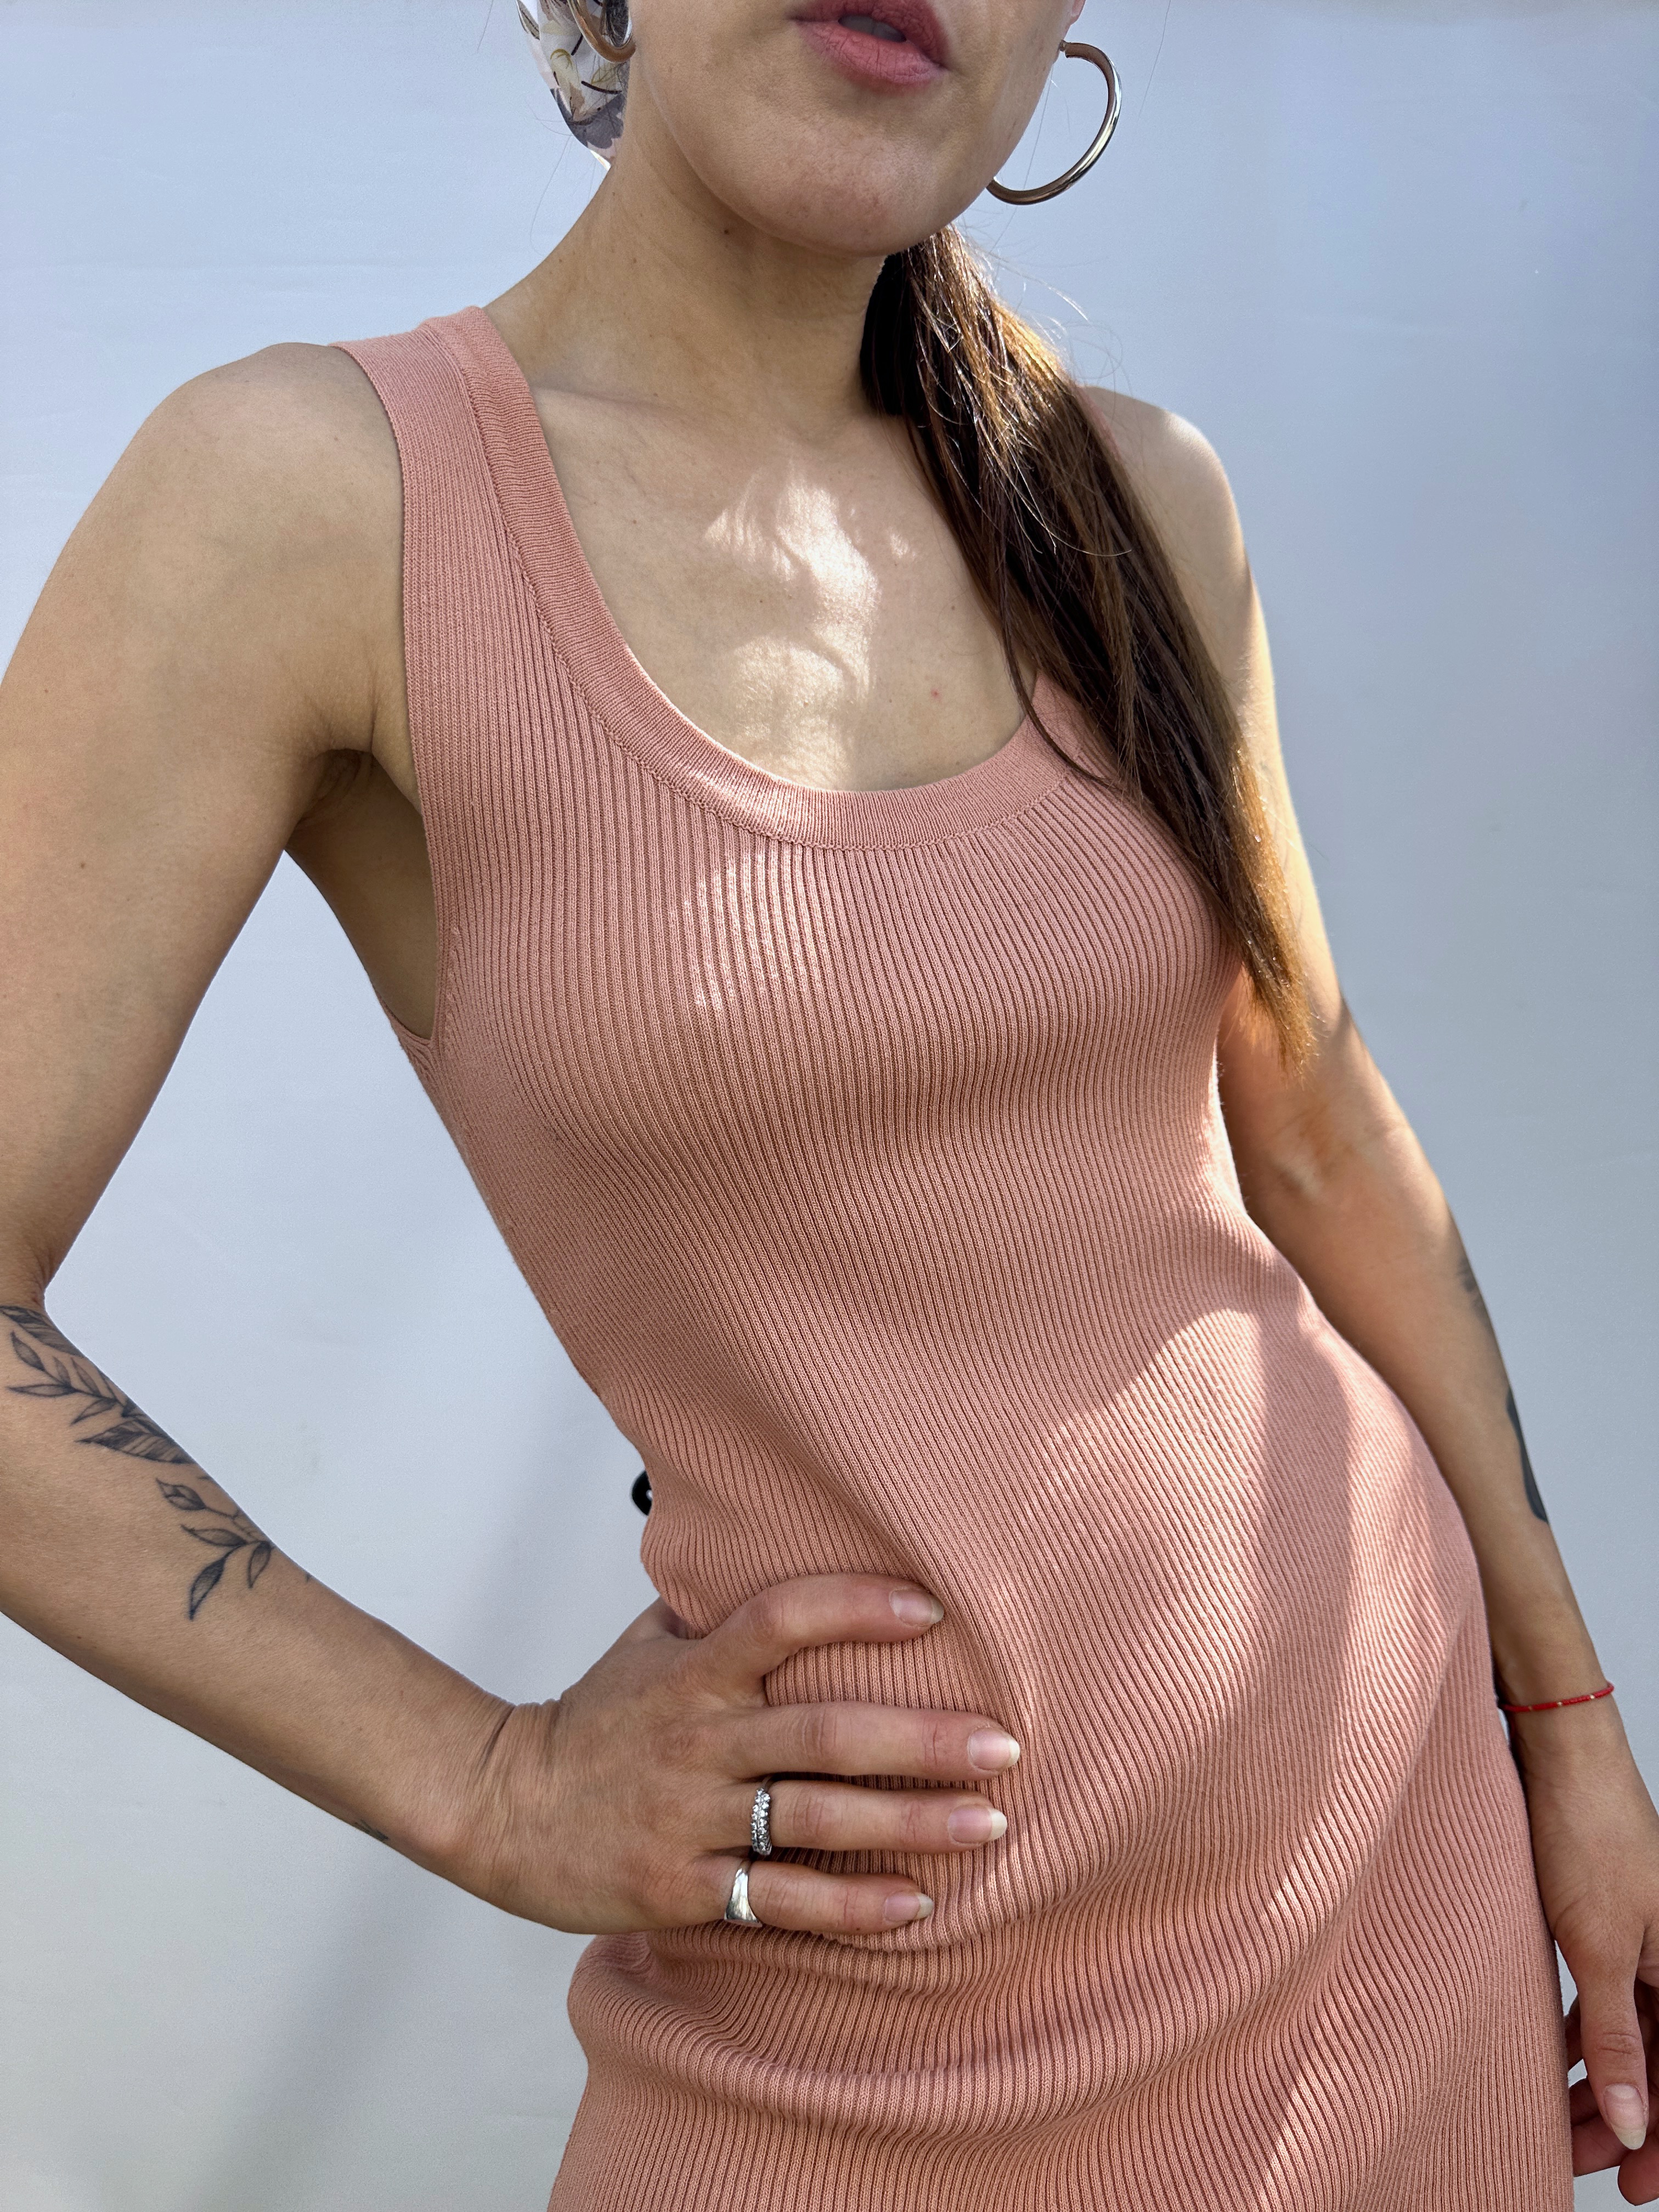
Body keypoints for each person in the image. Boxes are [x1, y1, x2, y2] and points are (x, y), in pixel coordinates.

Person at [1, 1, 1654, 2204]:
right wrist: (485, 1782)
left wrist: (1570, 1731)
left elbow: (1319, 1124)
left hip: (1384, 1903)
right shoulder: (311, 499)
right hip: (873, 2022)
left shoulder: (1137, 501)